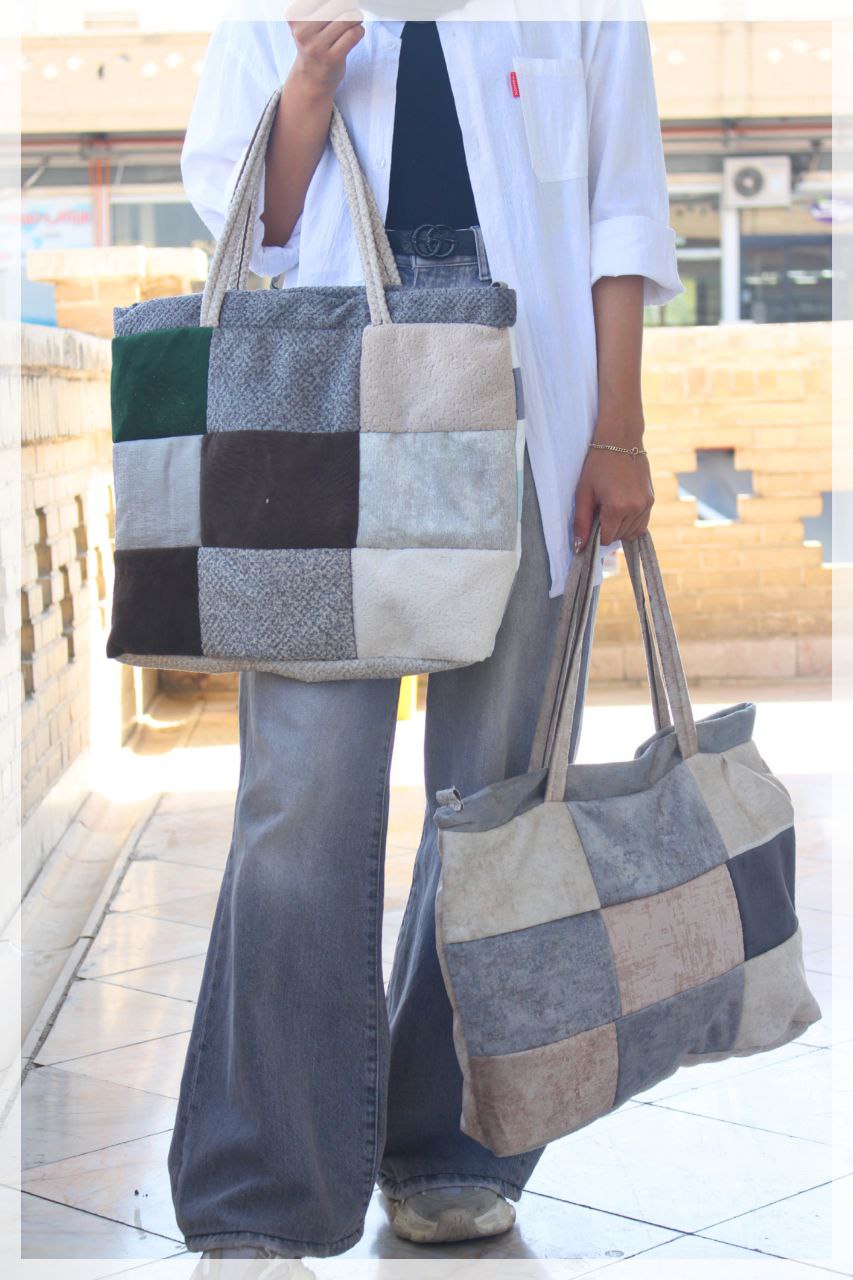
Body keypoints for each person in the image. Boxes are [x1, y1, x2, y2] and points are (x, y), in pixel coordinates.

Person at [171, 1, 683, 1264]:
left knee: (494, 798)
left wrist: (617, 430)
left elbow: (621, 210)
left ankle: (451, 1146)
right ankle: (262, 1184)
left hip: (527, 415)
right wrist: (306, 85)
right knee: (299, 797)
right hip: (325, 417)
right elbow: (250, 220)